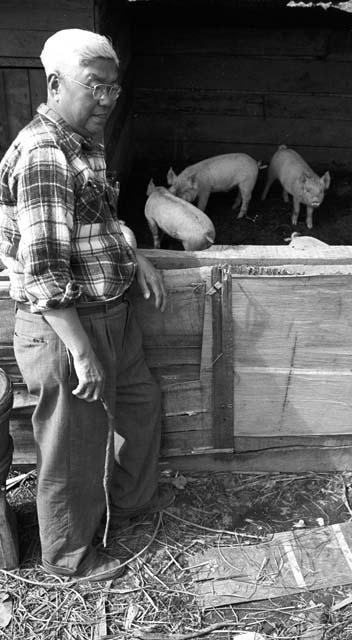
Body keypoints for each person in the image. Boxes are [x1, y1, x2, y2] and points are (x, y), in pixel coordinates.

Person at [0, 28, 174, 581]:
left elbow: (98, 219)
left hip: (112, 309)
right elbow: (46, 269)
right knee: (73, 443)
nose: (106, 99)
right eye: (94, 86)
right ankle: (70, 555)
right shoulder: (45, 154)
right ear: (55, 85)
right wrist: (79, 350)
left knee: (140, 406)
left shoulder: (84, 143)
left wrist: (132, 252)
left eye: (113, 88)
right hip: (68, 324)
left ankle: (129, 504)